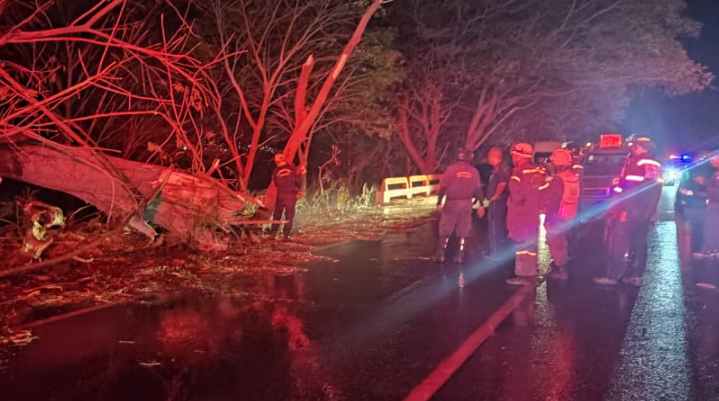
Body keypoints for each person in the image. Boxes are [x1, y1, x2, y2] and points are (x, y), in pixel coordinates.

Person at [594, 140, 662, 287]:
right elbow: (655, 190)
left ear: (639, 147)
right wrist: (651, 211)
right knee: (639, 242)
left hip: (631, 209)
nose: (633, 149)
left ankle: (613, 275)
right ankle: (635, 275)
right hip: (646, 211)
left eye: (634, 147)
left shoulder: (636, 163)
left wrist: (623, 207)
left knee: (619, 241)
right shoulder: (655, 165)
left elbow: (630, 189)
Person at [435, 148, 485, 263]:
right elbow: (478, 189)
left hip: (451, 203)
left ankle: (440, 253)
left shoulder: (450, 170)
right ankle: (460, 254)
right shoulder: (473, 171)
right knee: (464, 229)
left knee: (445, 228)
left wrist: (439, 202)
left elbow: (443, 187)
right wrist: (481, 204)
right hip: (466, 203)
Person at [505, 143, 546, 286]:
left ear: (519, 155)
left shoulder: (518, 171)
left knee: (522, 243)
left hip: (520, 213)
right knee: (531, 243)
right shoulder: (539, 171)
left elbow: (515, 194)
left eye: (514, 155)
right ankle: (532, 272)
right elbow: (542, 191)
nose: (513, 158)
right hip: (533, 213)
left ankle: (523, 275)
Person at [540, 149, 581, 280]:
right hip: (569, 213)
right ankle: (562, 262)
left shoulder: (559, 179)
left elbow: (553, 200)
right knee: (562, 240)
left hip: (558, 215)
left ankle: (560, 269)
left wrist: (548, 219)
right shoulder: (573, 176)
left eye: (552, 162)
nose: (551, 164)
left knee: (555, 241)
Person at [695, 153, 719, 289]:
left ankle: (711, 280)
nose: (711, 162)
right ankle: (710, 250)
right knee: (711, 230)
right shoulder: (716, 173)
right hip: (714, 204)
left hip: (716, 205)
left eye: (713, 160)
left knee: (712, 230)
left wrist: (706, 185)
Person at [484, 147, 510, 259]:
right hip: (498, 202)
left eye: (489, 155)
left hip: (497, 203)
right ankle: (494, 250)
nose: (487, 157)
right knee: (497, 226)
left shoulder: (501, 168)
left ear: (494, 156)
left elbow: (502, 184)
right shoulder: (497, 168)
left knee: (494, 227)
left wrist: (494, 197)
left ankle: (495, 253)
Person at [270, 153, 303, 241]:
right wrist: (298, 190)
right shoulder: (292, 168)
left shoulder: (275, 171)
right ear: (284, 159)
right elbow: (299, 179)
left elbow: (275, 183)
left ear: (276, 161)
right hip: (291, 195)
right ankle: (285, 236)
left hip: (280, 195)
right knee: (289, 215)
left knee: (277, 215)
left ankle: (273, 234)